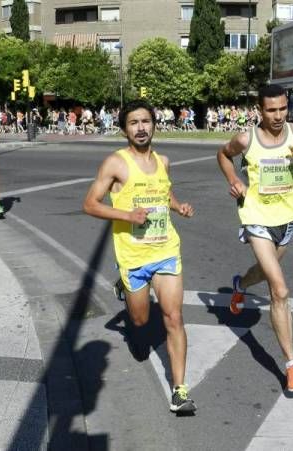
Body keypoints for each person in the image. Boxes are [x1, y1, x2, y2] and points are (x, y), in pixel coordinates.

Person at [83, 99, 196, 414]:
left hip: (165, 249)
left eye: (145, 121)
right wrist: (127, 215)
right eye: (133, 123)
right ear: (124, 129)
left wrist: (178, 206)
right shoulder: (115, 164)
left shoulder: (164, 161)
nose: (141, 128)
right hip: (133, 256)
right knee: (140, 320)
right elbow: (90, 204)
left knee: (173, 317)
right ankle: (125, 288)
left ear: (154, 125)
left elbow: (164, 192)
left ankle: (180, 390)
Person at [217, 84, 293, 393]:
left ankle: (240, 285)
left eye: (281, 109)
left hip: (286, 219)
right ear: (259, 111)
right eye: (270, 110)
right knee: (279, 289)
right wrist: (234, 179)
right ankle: (292, 364)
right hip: (255, 218)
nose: (277, 116)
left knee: (263, 273)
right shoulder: (246, 139)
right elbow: (223, 155)